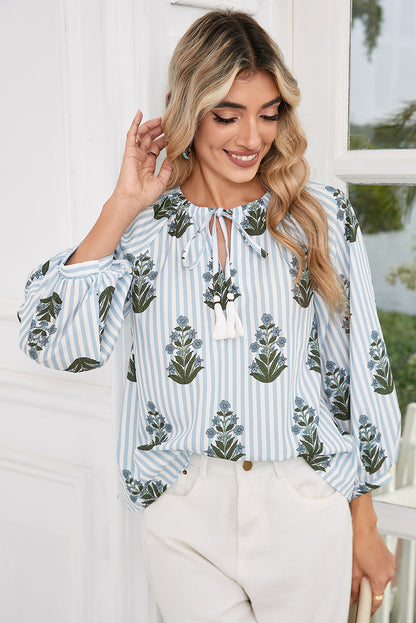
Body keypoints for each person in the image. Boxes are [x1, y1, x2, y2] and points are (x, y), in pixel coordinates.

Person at [18, 9, 400, 623]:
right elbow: (55, 344)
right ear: (185, 110)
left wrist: (364, 519)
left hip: (301, 503)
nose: (253, 137)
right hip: (184, 508)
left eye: (269, 112)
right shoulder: (143, 231)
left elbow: (357, 370)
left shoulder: (317, 219)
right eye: (227, 114)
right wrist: (122, 204)